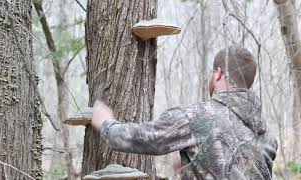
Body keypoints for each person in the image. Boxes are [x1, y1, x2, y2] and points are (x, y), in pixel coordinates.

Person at [91, 46, 277, 180]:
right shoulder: (268, 136)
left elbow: (140, 138)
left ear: (219, 74)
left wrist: (107, 123)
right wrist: (194, 167)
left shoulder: (197, 117)